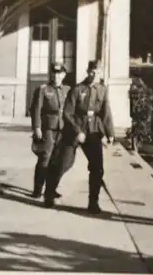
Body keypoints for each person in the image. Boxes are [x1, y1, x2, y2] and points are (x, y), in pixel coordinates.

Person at [44, 60, 114, 213]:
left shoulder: (102, 89)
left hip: (94, 130)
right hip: (75, 129)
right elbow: (67, 113)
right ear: (87, 71)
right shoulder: (77, 89)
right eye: (91, 71)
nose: (94, 75)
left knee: (97, 168)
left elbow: (106, 113)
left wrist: (110, 133)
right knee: (63, 163)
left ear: (101, 73)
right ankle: (49, 193)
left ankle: (93, 203)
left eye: (97, 72)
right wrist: (77, 131)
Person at [30, 62, 70, 198]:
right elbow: (36, 109)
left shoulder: (67, 90)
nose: (56, 76)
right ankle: (38, 189)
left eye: (59, 73)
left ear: (64, 75)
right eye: (54, 73)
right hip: (47, 129)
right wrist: (36, 127)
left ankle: (51, 188)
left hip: (62, 129)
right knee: (45, 158)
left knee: (57, 160)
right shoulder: (43, 89)